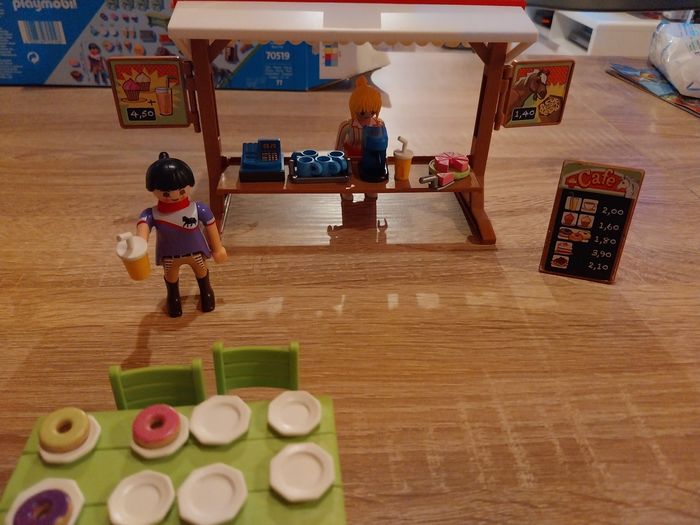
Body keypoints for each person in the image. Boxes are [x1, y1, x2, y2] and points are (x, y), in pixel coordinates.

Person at [137, 152, 227, 317]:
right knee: (171, 277)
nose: (174, 197)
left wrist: (218, 248)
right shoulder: (152, 214)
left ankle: (206, 292)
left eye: (181, 191)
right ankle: (173, 298)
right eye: (166, 194)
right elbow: (143, 229)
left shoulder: (198, 209)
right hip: (170, 256)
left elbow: (211, 226)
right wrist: (139, 245)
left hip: (196, 253)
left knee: (202, 272)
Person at [335, 75, 383, 201]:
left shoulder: (379, 124)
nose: (367, 115)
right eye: (362, 112)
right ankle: (346, 191)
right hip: (350, 161)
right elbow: (338, 149)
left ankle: (369, 190)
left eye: (372, 111)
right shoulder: (347, 126)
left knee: (371, 191)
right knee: (348, 189)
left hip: (369, 161)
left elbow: (382, 144)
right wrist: (338, 164)